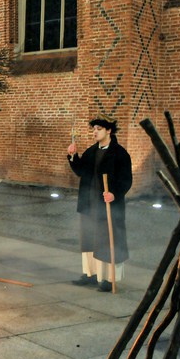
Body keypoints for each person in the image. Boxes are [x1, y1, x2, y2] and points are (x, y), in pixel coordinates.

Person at [67, 113, 132, 292]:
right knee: (89, 239)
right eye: (93, 129)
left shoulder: (119, 154)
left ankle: (109, 279)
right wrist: (73, 156)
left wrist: (114, 193)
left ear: (109, 130)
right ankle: (91, 274)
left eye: (99, 129)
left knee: (107, 240)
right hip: (89, 203)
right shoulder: (92, 151)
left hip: (108, 205)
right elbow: (81, 170)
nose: (94, 132)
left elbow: (126, 180)